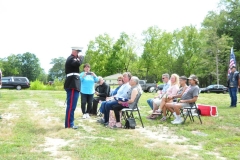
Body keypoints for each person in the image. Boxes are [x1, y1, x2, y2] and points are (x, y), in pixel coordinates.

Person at [64, 47, 84, 129]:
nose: (79, 54)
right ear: (75, 52)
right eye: (78, 52)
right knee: (71, 105)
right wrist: (81, 58)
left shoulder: (73, 58)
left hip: (74, 84)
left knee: (72, 105)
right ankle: (69, 124)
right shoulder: (71, 58)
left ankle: (70, 123)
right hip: (72, 84)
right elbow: (77, 64)